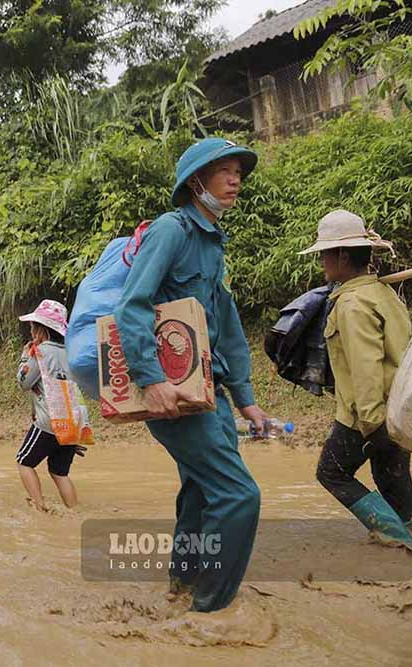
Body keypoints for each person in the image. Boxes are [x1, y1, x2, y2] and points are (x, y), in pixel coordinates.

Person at [113, 137, 267, 613]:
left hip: (210, 392)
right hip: (171, 393)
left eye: (239, 170)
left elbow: (228, 324)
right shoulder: (171, 231)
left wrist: (244, 397)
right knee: (239, 495)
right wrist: (151, 378)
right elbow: (132, 306)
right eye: (224, 169)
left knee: (202, 491)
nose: (235, 178)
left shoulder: (212, 244)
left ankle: (181, 587)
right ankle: (212, 611)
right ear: (196, 181)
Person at [301, 211, 412, 551]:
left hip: (367, 414)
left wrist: (371, 424)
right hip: (397, 410)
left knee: (331, 473)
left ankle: (393, 534)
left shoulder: (352, 304)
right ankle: (406, 534)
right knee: (392, 481)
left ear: (343, 256)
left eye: (324, 254)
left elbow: (366, 369)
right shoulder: (384, 294)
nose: (322, 262)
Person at [15, 300, 81, 511]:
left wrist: (25, 357)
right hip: (71, 424)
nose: (31, 330)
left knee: (24, 462)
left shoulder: (40, 351)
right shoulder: (72, 353)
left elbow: (23, 382)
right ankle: (74, 511)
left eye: (34, 326)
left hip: (48, 423)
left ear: (42, 330)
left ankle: (40, 506)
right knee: (60, 472)